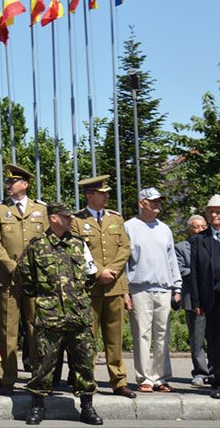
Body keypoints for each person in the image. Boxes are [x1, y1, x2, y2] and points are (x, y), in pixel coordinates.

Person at [17, 202, 102, 426]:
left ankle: (87, 406)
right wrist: (47, 298)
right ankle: (37, 406)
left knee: (84, 363)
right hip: (50, 315)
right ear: (54, 218)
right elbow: (25, 278)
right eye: (66, 217)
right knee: (43, 364)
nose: (71, 220)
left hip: (79, 315)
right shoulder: (37, 245)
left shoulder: (79, 244)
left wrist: (76, 296)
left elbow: (91, 275)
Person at [71, 175, 134, 398]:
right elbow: (78, 250)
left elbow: (125, 249)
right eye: (102, 193)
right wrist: (99, 271)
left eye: (107, 192)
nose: (107, 196)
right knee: (88, 337)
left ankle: (119, 381)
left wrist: (112, 271)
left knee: (114, 337)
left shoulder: (116, 219)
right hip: (90, 287)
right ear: (90, 195)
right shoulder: (77, 221)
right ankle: (86, 381)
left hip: (114, 286)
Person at [0, 163, 48, 393]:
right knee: (8, 330)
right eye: (8, 182)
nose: (9, 185)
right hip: (9, 278)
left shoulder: (40, 210)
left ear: (25, 184)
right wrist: (13, 267)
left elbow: (45, 242)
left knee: (36, 329)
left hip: (34, 280)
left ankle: (38, 376)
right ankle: (7, 379)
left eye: (13, 182)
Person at [123, 187, 182, 393]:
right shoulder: (129, 227)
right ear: (142, 203)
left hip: (164, 289)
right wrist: (124, 291)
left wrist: (177, 287)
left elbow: (171, 259)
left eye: (159, 201)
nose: (158, 204)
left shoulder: (165, 229)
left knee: (162, 334)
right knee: (142, 333)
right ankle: (144, 378)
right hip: (139, 288)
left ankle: (161, 377)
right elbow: (123, 261)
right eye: (153, 201)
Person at [187, 194, 220, 399]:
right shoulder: (199, 240)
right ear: (206, 214)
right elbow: (195, 273)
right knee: (215, 341)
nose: (215, 214)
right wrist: (197, 302)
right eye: (211, 211)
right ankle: (217, 381)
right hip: (212, 299)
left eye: (219, 211)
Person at [176, 213, 209, 386]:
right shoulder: (181, 247)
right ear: (189, 230)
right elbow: (180, 269)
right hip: (193, 298)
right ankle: (200, 372)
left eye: (203, 227)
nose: (200, 230)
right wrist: (200, 273)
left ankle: (214, 371)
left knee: (215, 337)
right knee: (197, 338)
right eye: (196, 227)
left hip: (212, 298)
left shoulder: (212, 244)